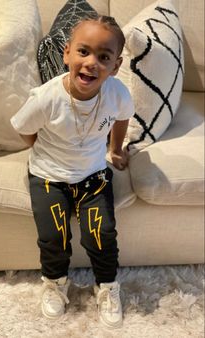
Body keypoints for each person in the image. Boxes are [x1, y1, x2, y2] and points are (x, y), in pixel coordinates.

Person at [10, 15, 134, 329]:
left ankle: (107, 287)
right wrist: (42, 150)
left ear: (115, 66)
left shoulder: (117, 93)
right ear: (67, 54)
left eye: (103, 57)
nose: (91, 63)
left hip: (93, 175)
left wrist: (115, 149)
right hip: (48, 176)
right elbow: (24, 129)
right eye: (83, 52)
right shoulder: (47, 98)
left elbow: (122, 118)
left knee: (102, 234)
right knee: (53, 235)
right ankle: (55, 283)